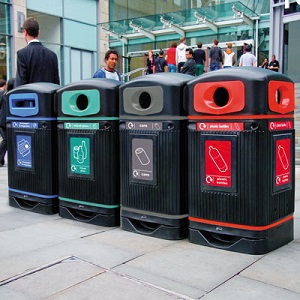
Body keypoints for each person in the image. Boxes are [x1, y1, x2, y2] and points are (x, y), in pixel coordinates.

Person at [15, 17, 60, 87]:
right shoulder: (52, 55)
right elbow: (56, 84)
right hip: (48, 97)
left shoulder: (22, 54)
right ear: (38, 32)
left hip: (31, 97)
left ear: (25, 32)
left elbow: (20, 84)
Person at [0, 78, 15, 167]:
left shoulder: (6, 94)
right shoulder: (6, 95)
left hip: (4, 120)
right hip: (5, 121)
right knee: (6, 140)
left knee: (7, 140)